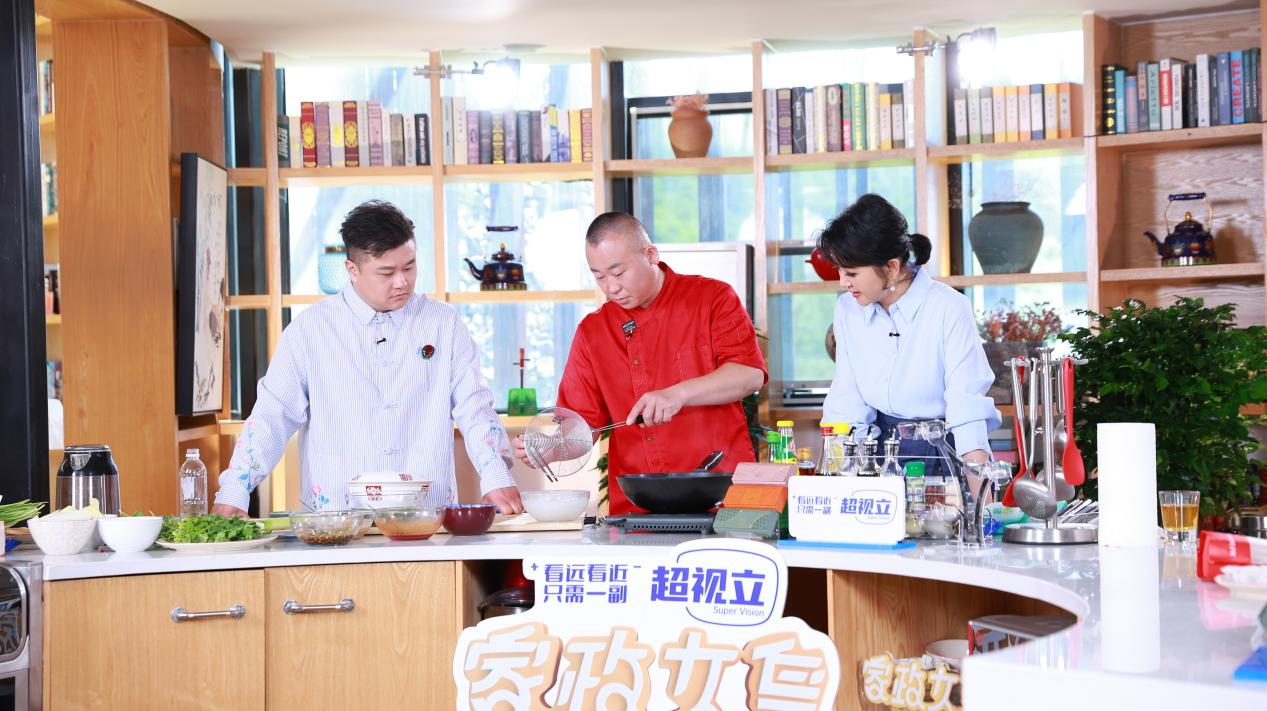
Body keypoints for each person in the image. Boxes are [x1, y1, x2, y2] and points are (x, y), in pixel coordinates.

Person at [211, 200, 523, 517]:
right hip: (336, 519)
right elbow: (272, 415)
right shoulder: (310, 330)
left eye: (409, 267)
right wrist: (235, 491)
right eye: (386, 272)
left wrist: (495, 475)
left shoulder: (443, 323)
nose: (402, 282)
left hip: (426, 517)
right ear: (352, 270)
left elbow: (474, 405)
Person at [512, 212, 767, 515]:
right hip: (636, 506)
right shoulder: (593, 332)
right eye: (599, 277)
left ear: (651, 255)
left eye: (618, 273)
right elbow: (582, 424)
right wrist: (554, 447)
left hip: (721, 494)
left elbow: (749, 374)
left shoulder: (711, 298)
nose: (611, 288)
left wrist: (678, 394)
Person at [819, 194, 998, 473]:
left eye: (851, 273)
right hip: (878, 457)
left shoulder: (948, 307)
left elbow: (967, 407)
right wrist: (843, 475)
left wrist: (980, 491)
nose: (843, 282)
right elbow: (847, 400)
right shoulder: (847, 309)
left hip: (942, 456)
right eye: (840, 270)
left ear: (891, 267)